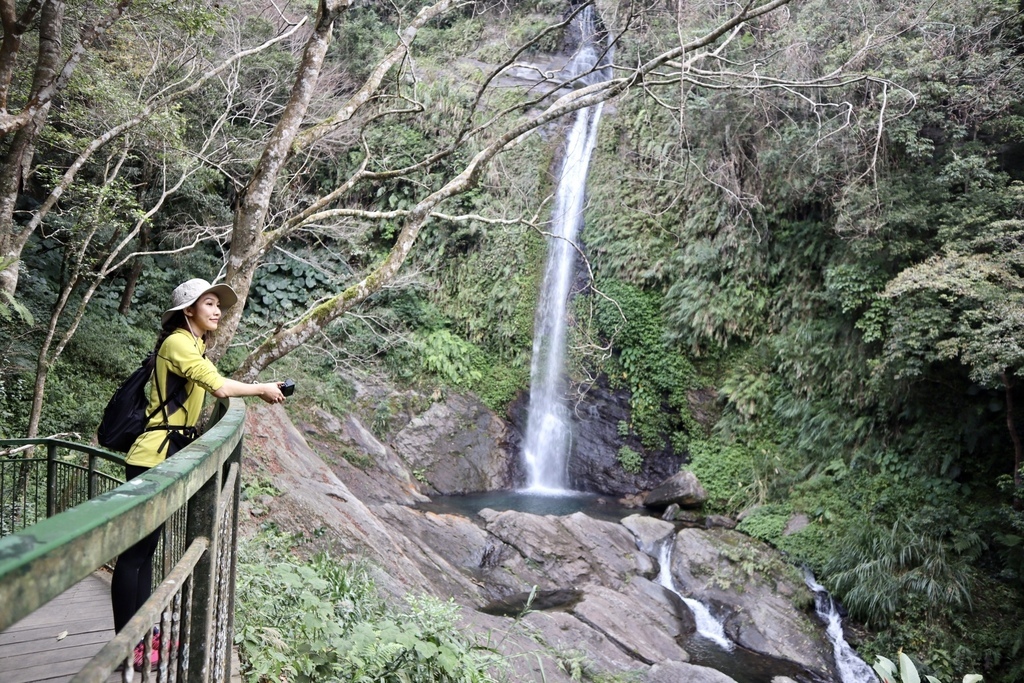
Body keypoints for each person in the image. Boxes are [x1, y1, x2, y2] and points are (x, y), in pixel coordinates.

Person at [110, 278, 285, 670]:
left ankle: (141, 634)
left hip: (167, 457)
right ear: (188, 310)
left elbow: (213, 385)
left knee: (145, 552)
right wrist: (260, 389)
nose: (218, 310)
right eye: (209, 303)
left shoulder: (195, 345)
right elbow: (220, 388)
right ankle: (128, 645)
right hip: (152, 457)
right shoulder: (177, 343)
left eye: (218, 304)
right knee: (135, 555)